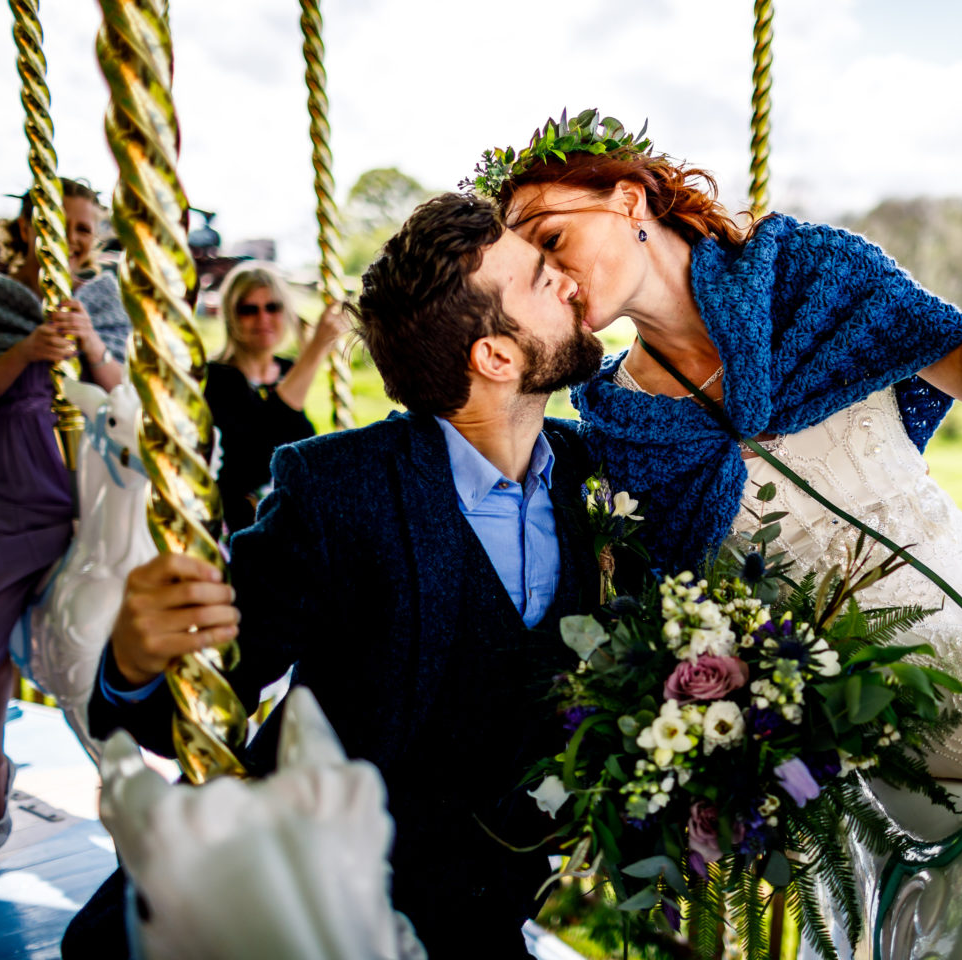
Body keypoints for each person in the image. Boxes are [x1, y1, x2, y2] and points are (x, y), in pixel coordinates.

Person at [62, 192, 608, 958]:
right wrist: (132, 662)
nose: (567, 281)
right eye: (537, 279)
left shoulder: (599, 478)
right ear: (495, 355)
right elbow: (205, 694)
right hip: (314, 890)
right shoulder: (339, 491)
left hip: (482, 902)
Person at [482, 111, 962, 788]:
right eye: (533, 269)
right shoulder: (621, 425)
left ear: (629, 199)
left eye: (554, 237)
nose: (555, 276)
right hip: (857, 716)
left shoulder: (811, 272)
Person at [0, 179, 129, 851]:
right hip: (8, 490)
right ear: (27, 227)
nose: (75, 240)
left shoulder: (99, 301)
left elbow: (123, 390)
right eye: (62, 225)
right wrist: (27, 351)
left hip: (82, 490)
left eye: (84, 229)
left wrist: (90, 347)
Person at [206, 262, 346, 533]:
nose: (263, 319)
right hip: (239, 523)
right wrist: (316, 350)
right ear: (230, 316)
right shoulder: (216, 378)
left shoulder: (287, 370)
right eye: (248, 310)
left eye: (273, 307)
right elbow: (259, 450)